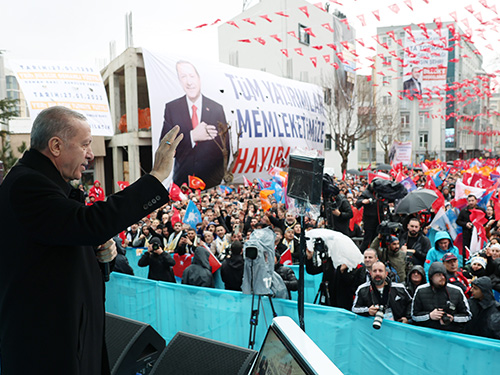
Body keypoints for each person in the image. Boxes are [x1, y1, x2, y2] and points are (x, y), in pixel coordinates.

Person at [0, 106, 182, 374]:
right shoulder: (27, 186)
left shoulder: (45, 185)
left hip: (67, 341)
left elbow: (66, 238)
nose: (90, 154)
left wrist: (95, 251)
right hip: (45, 352)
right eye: (85, 144)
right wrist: (155, 178)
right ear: (56, 146)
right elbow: (87, 223)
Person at [160, 60, 229, 189]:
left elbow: (225, 150)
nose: (189, 82)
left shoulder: (216, 109)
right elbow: (165, 146)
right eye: (183, 77)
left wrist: (218, 180)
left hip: (210, 184)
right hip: (182, 183)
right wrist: (192, 136)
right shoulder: (172, 108)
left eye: (191, 76)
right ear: (179, 81)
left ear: (199, 78)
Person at [411, 262, 471, 333]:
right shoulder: (421, 290)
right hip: (427, 334)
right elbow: (414, 316)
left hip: (450, 333)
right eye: (438, 275)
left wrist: (453, 318)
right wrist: (429, 316)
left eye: (444, 275)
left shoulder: (456, 291)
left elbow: (467, 316)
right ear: (431, 277)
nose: (442, 277)